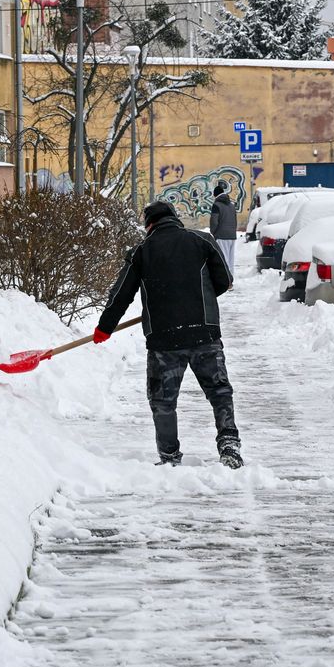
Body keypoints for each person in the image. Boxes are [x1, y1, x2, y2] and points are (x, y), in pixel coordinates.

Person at [94, 200, 243, 469]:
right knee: (219, 391)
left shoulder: (141, 252)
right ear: (174, 218)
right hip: (204, 333)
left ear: (149, 225)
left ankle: (170, 456)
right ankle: (229, 444)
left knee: (163, 400)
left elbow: (121, 296)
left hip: (164, 340)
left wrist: (104, 327)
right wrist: (200, 298)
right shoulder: (202, 240)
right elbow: (225, 280)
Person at [208, 180, 238, 272]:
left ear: (215, 195)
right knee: (230, 259)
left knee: (223, 259)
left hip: (221, 235)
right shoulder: (232, 205)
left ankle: (226, 281)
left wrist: (213, 232)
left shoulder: (216, 205)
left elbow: (214, 221)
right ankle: (231, 279)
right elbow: (235, 221)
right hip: (232, 235)